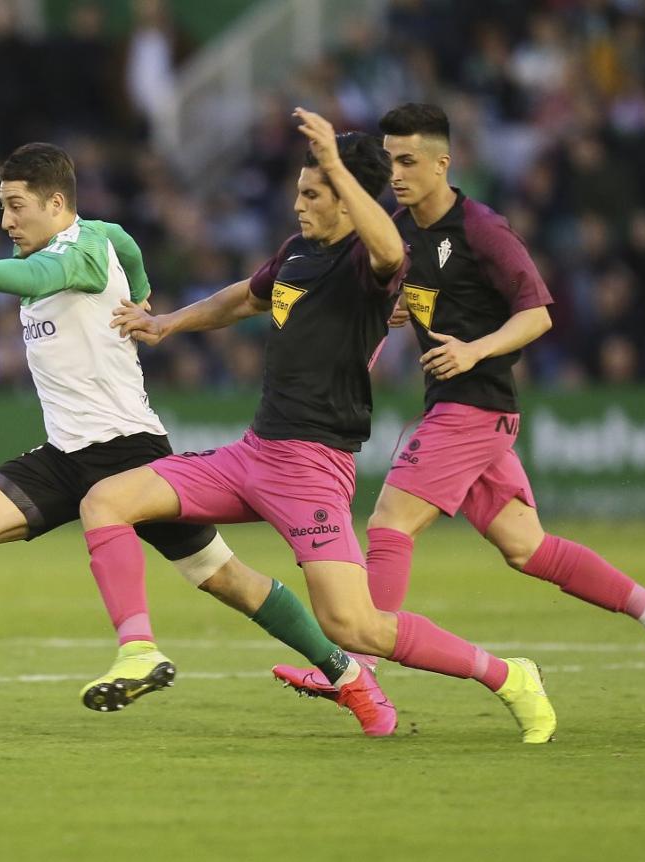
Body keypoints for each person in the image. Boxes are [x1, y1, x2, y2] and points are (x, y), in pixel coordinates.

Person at [0, 143, 377, 732]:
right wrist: (141, 293)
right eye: (1, 208)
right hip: (65, 454)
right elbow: (126, 247)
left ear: (56, 203)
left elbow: (43, 273)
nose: (5, 221)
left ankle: (344, 674)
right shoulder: (100, 240)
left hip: (128, 453)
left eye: (14, 206)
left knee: (227, 579)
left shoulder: (79, 250)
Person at [85, 109, 557, 743]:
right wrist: (170, 321)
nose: (299, 204)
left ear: (348, 198)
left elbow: (392, 251)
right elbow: (247, 297)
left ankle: (507, 675)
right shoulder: (297, 252)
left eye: (313, 193)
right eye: (299, 191)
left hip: (312, 469)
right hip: (252, 455)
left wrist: (338, 164)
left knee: (354, 628)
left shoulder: (371, 261)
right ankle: (138, 648)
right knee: (107, 500)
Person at [275, 102, 645, 706]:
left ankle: (361, 666)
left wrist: (474, 351)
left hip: (475, 404)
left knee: (391, 522)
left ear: (443, 162)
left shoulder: (481, 229)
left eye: (410, 160)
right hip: (457, 403)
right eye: (390, 160)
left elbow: (538, 314)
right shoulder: (399, 229)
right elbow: (411, 293)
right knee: (528, 548)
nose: (396, 172)